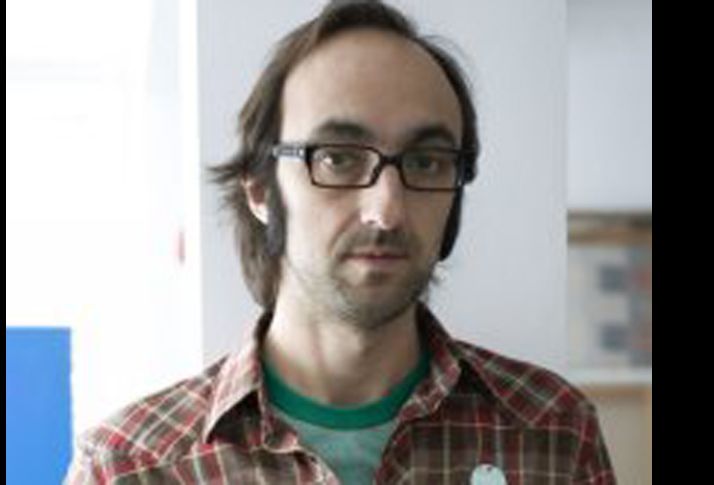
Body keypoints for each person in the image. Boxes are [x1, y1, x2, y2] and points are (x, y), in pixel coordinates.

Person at [66, 1, 616, 483]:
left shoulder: (552, 434)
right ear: (260, 190)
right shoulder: (133, 468)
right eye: (337, 158)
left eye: (426, 161)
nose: (386, 209)